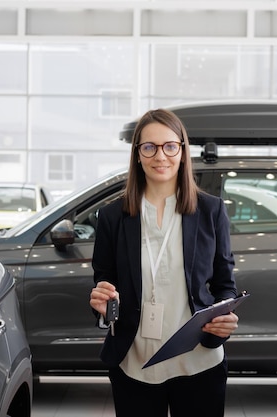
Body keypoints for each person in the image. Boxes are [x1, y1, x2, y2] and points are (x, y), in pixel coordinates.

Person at [89, 108, 239, 417]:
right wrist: (103, 307)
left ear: (182, 152)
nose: (161, 156)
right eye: (149, 147)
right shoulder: (113, 217)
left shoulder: (211, 211)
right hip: (135, 362)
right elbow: (104, 286)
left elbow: (224, 286)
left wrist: (225, 317)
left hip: (199, 361)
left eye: (170, 146)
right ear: (138, 154)